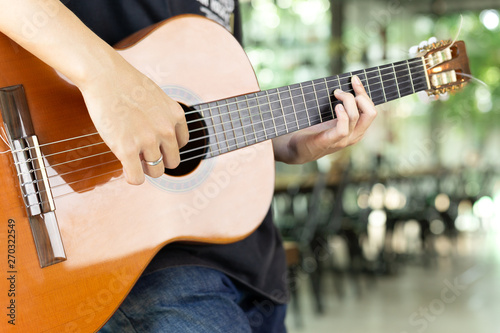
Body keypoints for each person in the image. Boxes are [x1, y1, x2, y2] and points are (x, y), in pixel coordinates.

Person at [0, 1, 377, 332]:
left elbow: (209, 99)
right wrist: (103, 75)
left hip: (253, 263)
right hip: (136, 270)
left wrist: (288, 142)